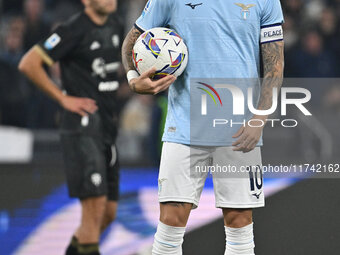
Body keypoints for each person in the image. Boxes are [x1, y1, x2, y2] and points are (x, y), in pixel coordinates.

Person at [122, 0, 284, 254]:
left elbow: (274, 64)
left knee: (240, 225)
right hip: (184, 128)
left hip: (239, 131)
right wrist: (134, 80)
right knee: (170, 224)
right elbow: (132, 41)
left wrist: (259, 118)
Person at [18, 0, 124, 254]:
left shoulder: (117, 25)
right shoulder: (72, 29)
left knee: (108, 214)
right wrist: (63, 98)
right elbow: (29, 63)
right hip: (82, 129)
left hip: (107, 129)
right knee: (94, 209)